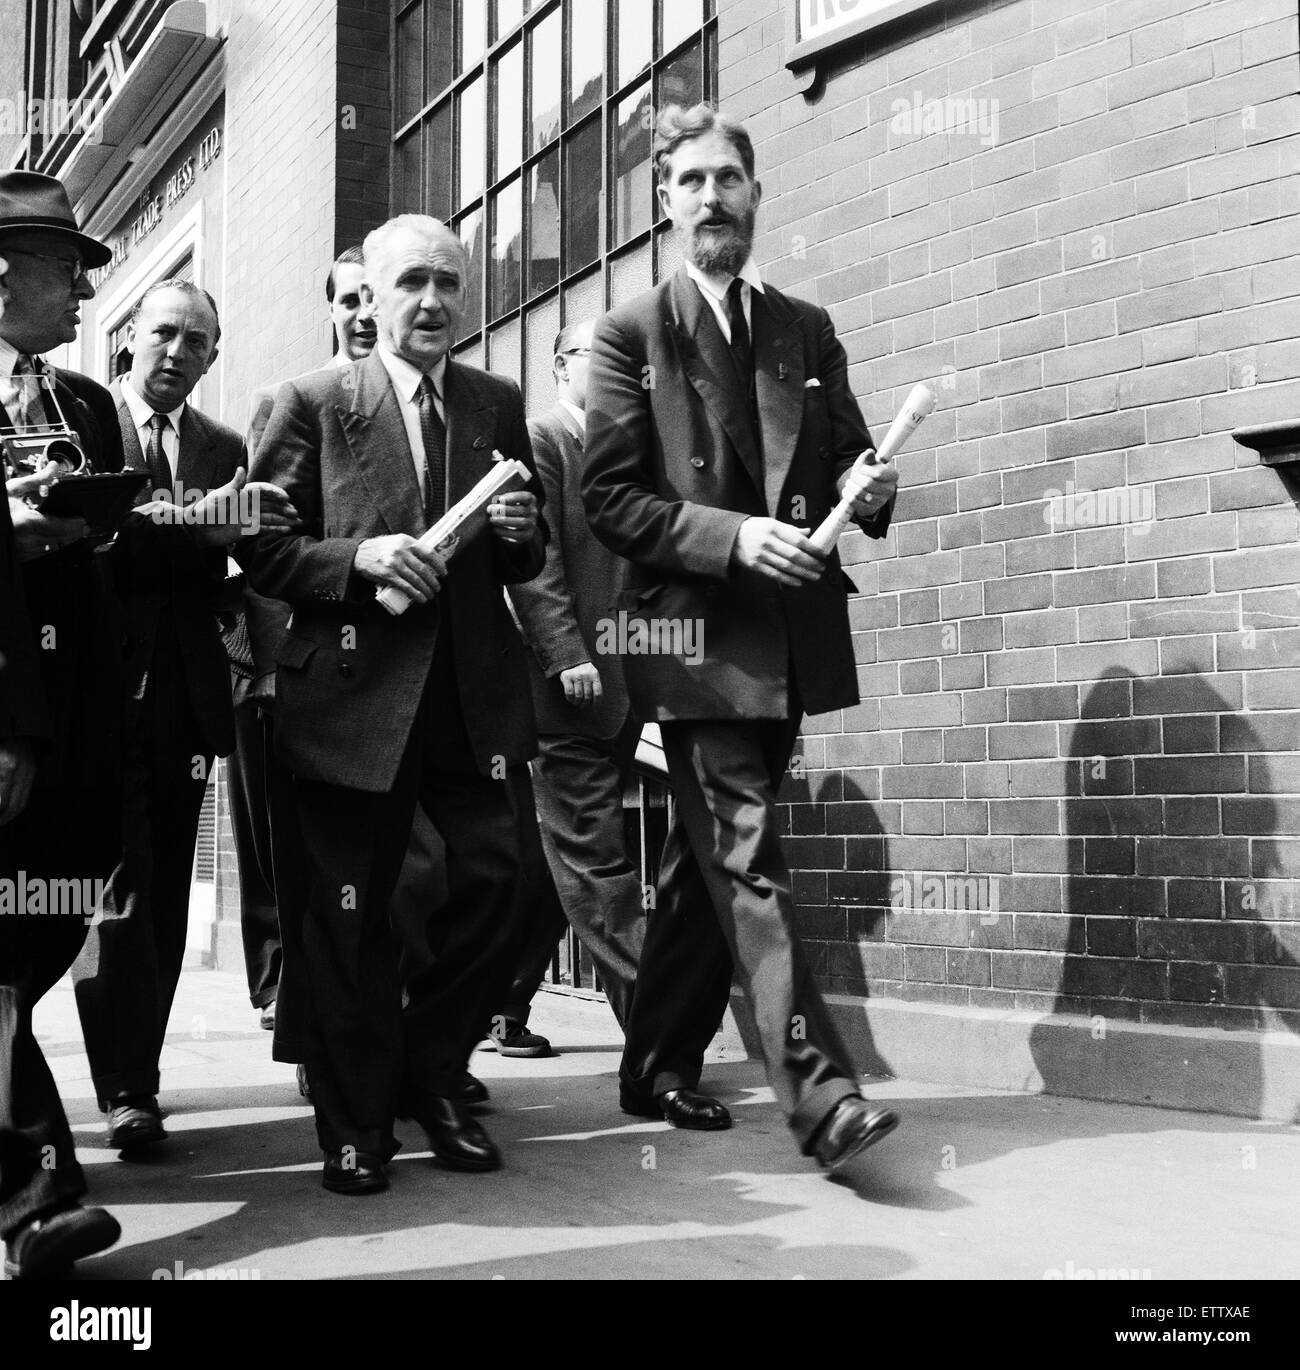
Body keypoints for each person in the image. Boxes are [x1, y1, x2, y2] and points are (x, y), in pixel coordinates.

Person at [582, 104, 902, 1172]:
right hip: (696, 643)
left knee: (703, 861)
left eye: (728, 178)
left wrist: (871, 486)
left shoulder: (804, 327)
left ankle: (655, 1057)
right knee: (751, 859)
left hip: (791, 639)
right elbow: (611, 500)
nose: (711, 197)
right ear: (665, 204)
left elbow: (855, 457)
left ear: (756, 194)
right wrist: (732, 538)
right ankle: (821, 1095)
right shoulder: (630, 331)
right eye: (690, 182)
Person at [245, 213, 546, 1195]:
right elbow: (264, 546)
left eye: (449, 282)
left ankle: (432, 1063)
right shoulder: (311, 401)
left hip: (469, 695)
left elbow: (521, 553)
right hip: (350, 695)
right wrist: (357, 557)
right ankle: (356, 1122)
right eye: (412, 280)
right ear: (367, 297)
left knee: (505, 889)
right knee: (351, 918)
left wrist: (521, 526)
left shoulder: (495, 402)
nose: (432, 301)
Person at [71, 280, 295, 1151]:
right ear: (131, 339)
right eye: (162, 333)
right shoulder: (88, 423)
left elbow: (226, 570)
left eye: (194, 340)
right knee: (108, 894)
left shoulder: (225, 445)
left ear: (212, 355)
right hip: (94, 693)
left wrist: (236, 546)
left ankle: (139, 1078)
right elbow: (96, 548)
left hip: (185, 702)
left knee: (160, 896)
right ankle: (122, 1083)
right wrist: (192, 529)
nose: (175, 351)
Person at [0, 173, 123, 1276]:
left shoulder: (86, 402)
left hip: (82, 718)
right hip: (6, 709)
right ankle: (36, 1196)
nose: (87, 285)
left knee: (36, 932)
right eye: (66, 265)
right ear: (3, 276)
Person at [500, 319, 645, 1043]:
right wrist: (564, 654)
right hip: (564, 691)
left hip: (622, 691)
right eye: (603, 356)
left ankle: (501, 1003)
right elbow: (535, 560)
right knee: (597, 860)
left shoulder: (624, 453)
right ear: (563, 365)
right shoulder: (541, 440)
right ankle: (658, 1033)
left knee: (547, 865)